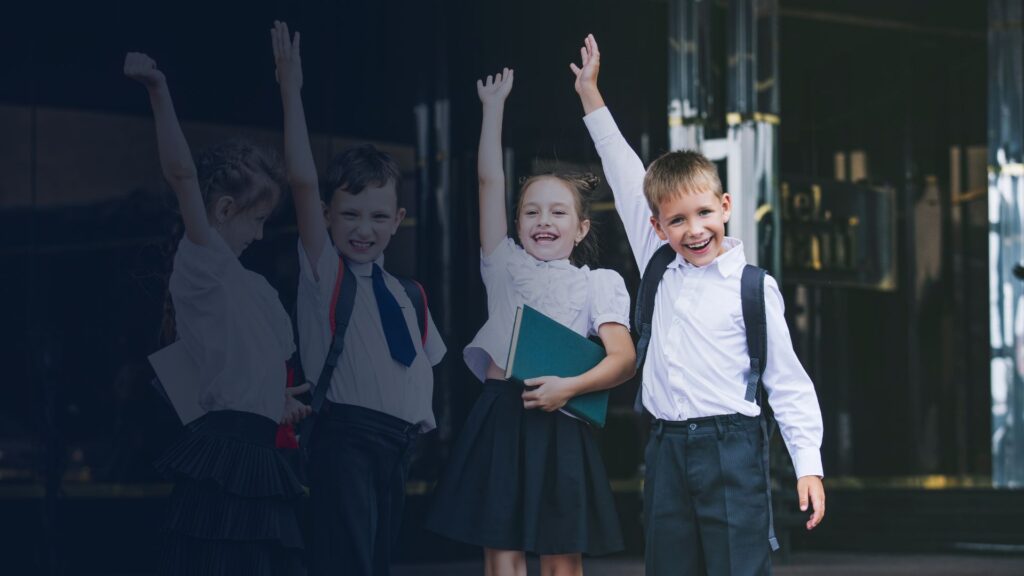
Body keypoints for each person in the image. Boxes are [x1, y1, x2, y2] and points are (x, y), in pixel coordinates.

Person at [570, 34, 826, 575]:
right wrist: (591, 94)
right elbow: (621, 166)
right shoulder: (658, 263)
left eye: (704, 213)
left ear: (726, 207)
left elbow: (788, 382)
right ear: (657, 226)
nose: (694, 230)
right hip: (665, 450)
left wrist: (809, 465)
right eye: (677, 220)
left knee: (738, 566)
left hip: (731, 447)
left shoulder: (753, 286)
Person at [425, 68, 635, 576]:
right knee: (502, 554)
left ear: (582, 226)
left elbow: (623, 359)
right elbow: (488, 180)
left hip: (562, 422)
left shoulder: (597, 283)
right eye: (531, 212)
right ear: (516, 224)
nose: (544, 221)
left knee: (562, 559)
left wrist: (568, 388)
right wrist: (492, 109)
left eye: (559, 213)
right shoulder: (504, 266)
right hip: (501, 418)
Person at [270, 21, 447, 576]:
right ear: (326, 217)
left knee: (375, 562)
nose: (362, 229)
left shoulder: (408, 295)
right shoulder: (326, 271)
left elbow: (422, 371)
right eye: (348, 215)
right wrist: (290, 90)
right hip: (344, 439)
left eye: (376, 217)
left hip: (396, 448)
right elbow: (301, 180)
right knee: (344, 562)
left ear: (398, 221)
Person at [125, 50, 310, 575]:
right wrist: (158, 91)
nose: (258, 233)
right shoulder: (204, 263)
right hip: (227, 446)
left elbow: (249, 367)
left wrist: (278, 399)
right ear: (226, 210)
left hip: (258, 449)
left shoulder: (253, 289)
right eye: (256, 219)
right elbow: (183, 175)